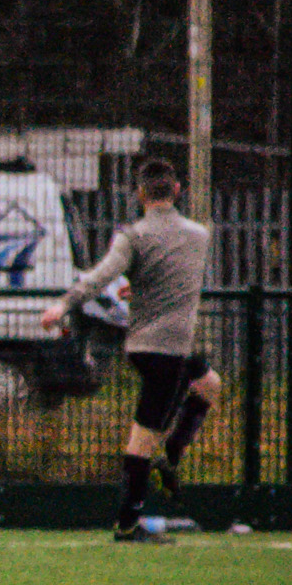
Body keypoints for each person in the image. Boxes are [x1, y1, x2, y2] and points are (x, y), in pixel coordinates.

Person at [42, 155, 220, 544]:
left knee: (209, 383)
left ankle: (169, 457)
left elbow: (101, 276)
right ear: (177, 190)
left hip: (148, 346)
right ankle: (128, 522)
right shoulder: (200, 235)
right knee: (143, 436)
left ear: (139, 194)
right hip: (166, 349)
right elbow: (179, 277)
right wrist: (140, 286)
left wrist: (64, 304)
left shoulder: (133, 236)